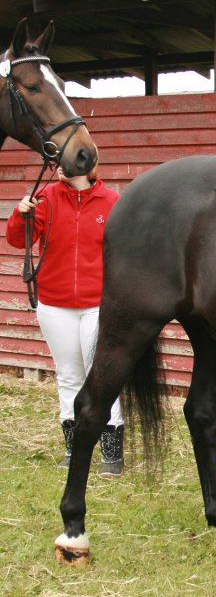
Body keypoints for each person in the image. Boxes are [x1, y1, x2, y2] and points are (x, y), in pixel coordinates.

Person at [5, 163, 125, 476]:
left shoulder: (111, 201)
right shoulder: (45, 197)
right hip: (54, 304)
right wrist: (21, 214)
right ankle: (74, 450)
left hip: (97, 305)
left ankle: (111, 453)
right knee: (69, 374)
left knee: (101, 376)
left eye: (66, 160)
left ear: (86, 164)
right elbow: (17, 240)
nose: (59, 166)